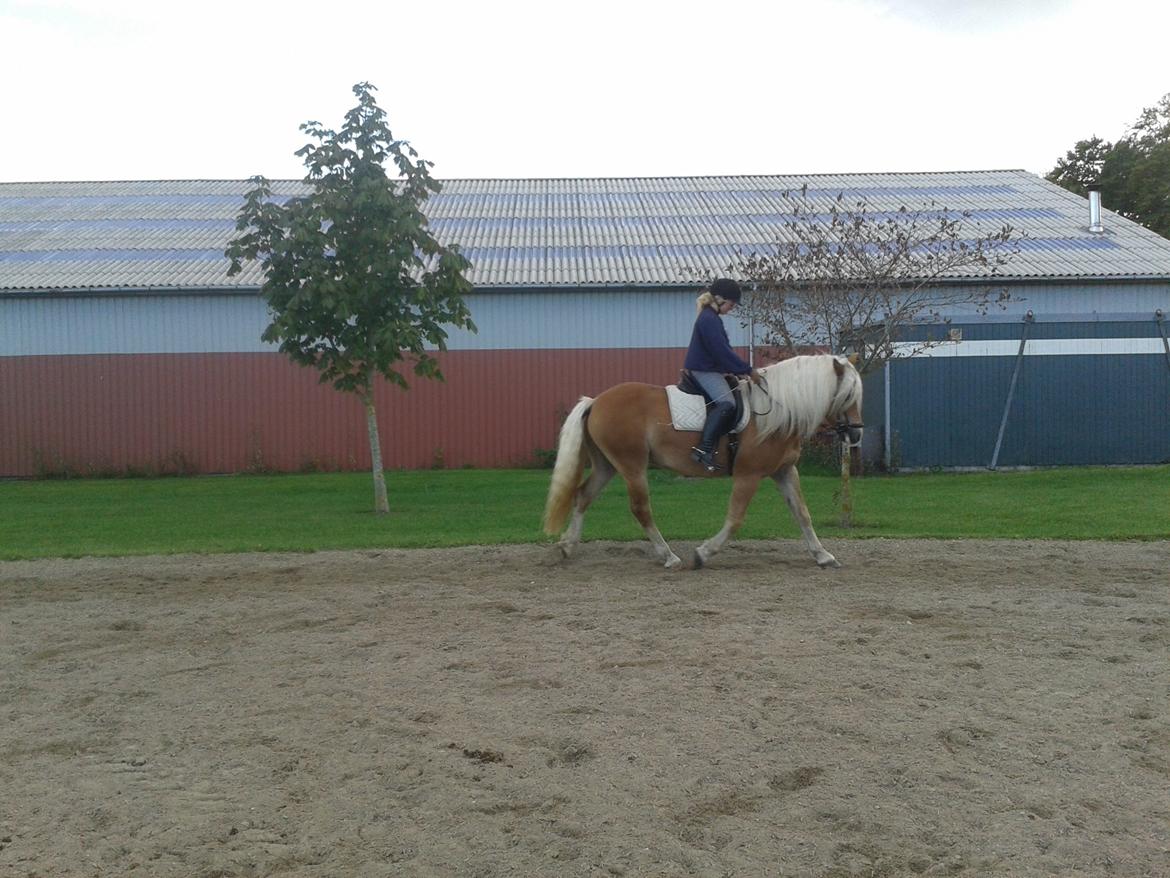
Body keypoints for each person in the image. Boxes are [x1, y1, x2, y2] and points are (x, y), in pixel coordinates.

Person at [683, 278, 755, 471]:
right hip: (703, 370)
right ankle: (704, 449)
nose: (732, 308)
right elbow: (721, 352)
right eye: (731, 304)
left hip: (710, 368)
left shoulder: (712, 318)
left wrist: (739, 370)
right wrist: (747, 370)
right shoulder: (709, 319)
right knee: (727, 403)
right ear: (720, 299)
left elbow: (724, 351)